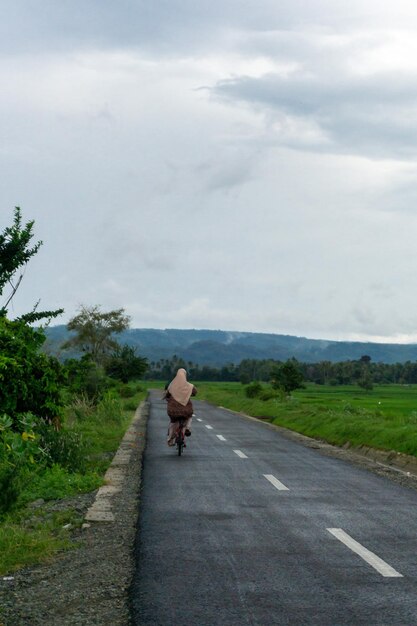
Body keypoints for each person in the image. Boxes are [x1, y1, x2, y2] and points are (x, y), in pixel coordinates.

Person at [163, 368, 197, 446]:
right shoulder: (189, 385)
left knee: (173, 421)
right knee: (189, 416)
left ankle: (170, 440)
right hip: (186, 409)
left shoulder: (171, 385)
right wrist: (188, 394)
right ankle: (188, 428)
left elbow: (167, 394)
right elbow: (195, 392)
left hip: (173, 410)